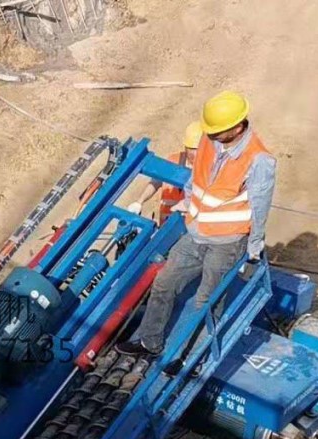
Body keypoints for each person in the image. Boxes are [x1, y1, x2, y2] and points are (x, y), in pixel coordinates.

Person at [117, 91, 276, 374]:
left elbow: (260, 205)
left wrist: (254, 246)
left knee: (206, 301)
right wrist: (189, 201)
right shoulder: (207, 139)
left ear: (238, 127)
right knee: (164, 283)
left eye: (218, 132)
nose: (212, 137)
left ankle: (187, 358)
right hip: (195, 233)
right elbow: (196, 179)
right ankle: (149, 342)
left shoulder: (258, 159)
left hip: (227, 242)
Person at [127, 120, 202, 225]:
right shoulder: (173, 160)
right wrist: (139, 201)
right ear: (185, 147)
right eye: (191, 148)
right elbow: (156, 182)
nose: (194, 153)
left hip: (189, 229)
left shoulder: (209, 170)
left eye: (198, 149)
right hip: (165, 225)